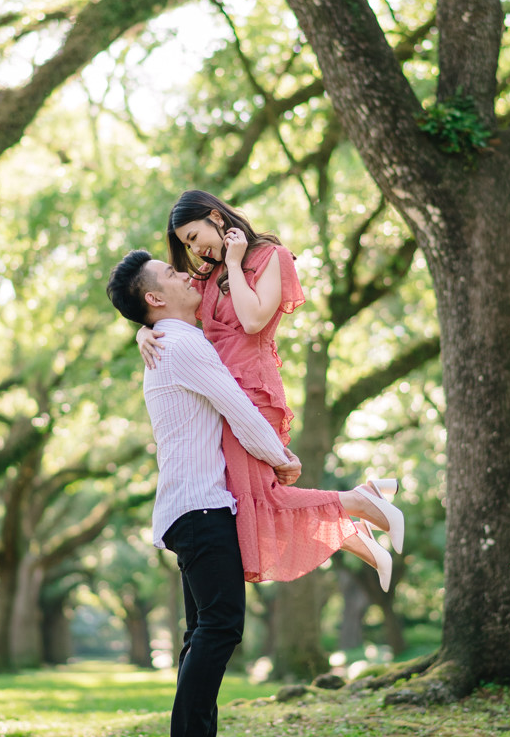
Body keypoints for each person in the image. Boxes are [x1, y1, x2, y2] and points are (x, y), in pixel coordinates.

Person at [107, 248, 304, 737]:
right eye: (172, 273)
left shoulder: (170, 342)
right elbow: (238, 406)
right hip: (200, 506)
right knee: (220, 628)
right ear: (154, 299)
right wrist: (280, 458)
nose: (185, 273)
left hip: (192, 506)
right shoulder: (181, 343)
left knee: (203, 634)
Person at [137, 190, 404, 588]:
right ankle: (358, 522)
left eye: (194, 237)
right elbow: (163, 303)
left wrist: (233, 262)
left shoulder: (271, 258)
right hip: (222, 395)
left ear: (215, 216)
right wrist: (144, 330)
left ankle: (359, 506)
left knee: (263, 502)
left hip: (252, 391)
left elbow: (252, 320)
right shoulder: (208, 275)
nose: (195, 251)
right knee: (252, 505)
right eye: (187, 245)